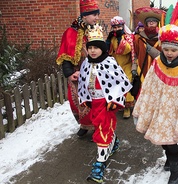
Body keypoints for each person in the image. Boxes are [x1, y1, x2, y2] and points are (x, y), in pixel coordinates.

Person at [132, 24, 178, 184]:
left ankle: (175, 169)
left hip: (177, 112)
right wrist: (144, 107)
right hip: (160, 111)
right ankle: (170, 159)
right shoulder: (157, 62)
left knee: (171, 143)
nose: (169, 53)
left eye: (173, 50)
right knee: (163, 140)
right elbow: (149, 87)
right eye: (166, 49)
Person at [78, 24, 132, 183]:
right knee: (101, 126)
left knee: (102, 129)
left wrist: (115, 100)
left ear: (103, 48)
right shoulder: (86, 63)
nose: (93, 51)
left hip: (106, 102)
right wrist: (85, 98)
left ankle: (99, 164)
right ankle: (114, 143)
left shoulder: (110, 62)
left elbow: (121, 82)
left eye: (96, 47)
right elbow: (83, 81)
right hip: (94, 102)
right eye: (90, 48)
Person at [56, 0, 100, 137]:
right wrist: (69, 73)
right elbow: (65, 56)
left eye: (97, 14)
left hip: (93, 73)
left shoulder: (95, 30)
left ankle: (96, 127)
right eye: (94, 15)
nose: (97, 18)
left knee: (95, 101)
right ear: (85, 15)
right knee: (77, 102)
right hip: (76, 73)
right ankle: (84, 125)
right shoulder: (70, 32)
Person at [105, 16, 135, 119]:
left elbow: (126, 50)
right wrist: (108, 41)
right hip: (116, 65)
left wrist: (119, 39)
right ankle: (119, 104)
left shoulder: (127, 37)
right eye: (114, 27)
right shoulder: (112, 37)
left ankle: (127, 107)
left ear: (122, 26)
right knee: (116, 85)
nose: (116, 29)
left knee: (126, 83)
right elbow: (108, 51)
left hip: (126, 64)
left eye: (118, 27)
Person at [132, 7, 166, 98]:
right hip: (142, 70)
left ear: (157, 23)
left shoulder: (162, 39)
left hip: (157, 72)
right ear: (146, 23)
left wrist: (151, 50)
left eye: (153, 21)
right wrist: (134, 68)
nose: (151, 23)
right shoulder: (138, 38)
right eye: (149, 21)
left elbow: (165, 56)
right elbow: (135, 54)